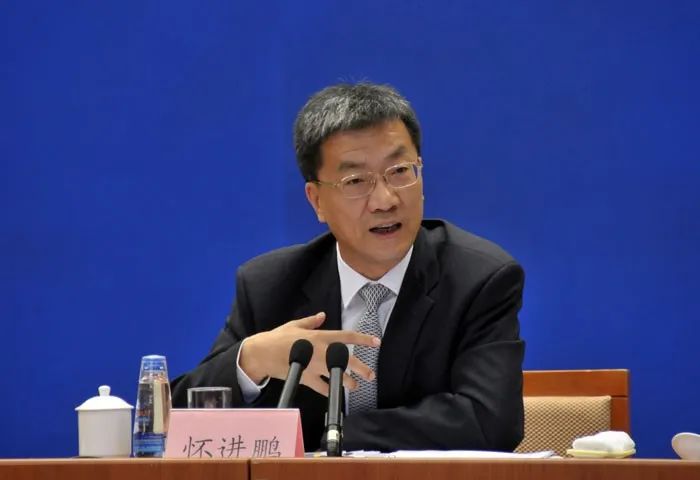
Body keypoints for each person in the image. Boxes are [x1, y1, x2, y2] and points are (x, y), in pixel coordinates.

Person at [171, 82, 525, 452]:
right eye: (355, 181)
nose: (385, 200)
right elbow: (183, 424)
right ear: (317, 201)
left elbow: (489, 421)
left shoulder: (478, 280)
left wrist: (335, 437)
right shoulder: (270, 285)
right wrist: (253, 359)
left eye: (400, 171)